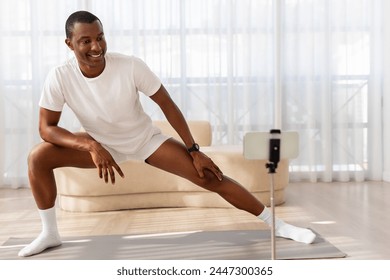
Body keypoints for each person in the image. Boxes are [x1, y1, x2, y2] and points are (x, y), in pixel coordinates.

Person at [18, 10, 315, 257]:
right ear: (69, 43)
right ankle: (50, 233)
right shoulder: (60, 76)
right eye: (85, 41)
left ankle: (278, 225)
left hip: (145, 140)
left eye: (100, 37)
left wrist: (194, 149)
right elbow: (46, 128)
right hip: (103, 145)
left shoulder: (130, 65)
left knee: (210, 177)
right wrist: (88, 143)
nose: (96, 47)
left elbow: (167, 105)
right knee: (38, 156)